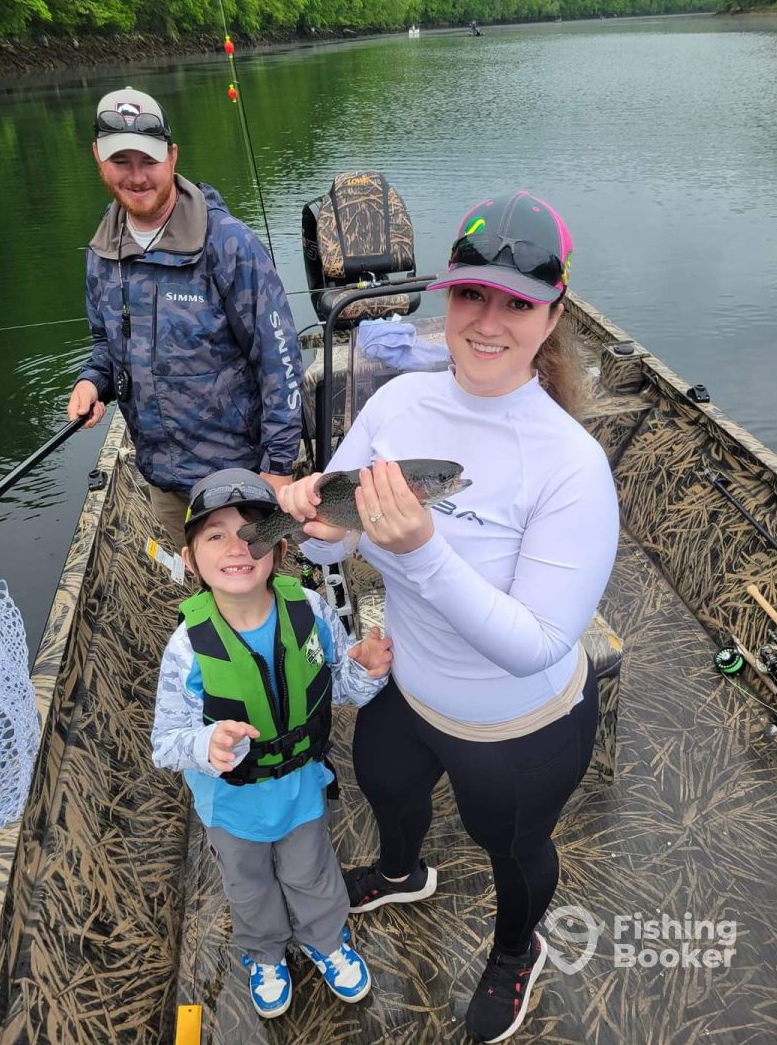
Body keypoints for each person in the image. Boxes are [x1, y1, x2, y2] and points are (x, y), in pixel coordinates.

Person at [278, 190, 620, 1043]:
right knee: (385, 780)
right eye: (472, 294)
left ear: (553, 316)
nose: (487, 322)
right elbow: (330, 546)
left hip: (519, 724)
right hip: (412, 686)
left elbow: (537, 644)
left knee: (513, 847)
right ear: (447, 295)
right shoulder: (399, 406)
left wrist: (425, 549)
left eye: (517, 304)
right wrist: (312, 522)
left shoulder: (572, 467)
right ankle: (403, 874)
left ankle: (517, 949)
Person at [151, 468, 392, 1018]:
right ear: (191, 559)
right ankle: (264, 954)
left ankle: (326, 941)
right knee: (249, 887)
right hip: (230, 807)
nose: (237, 548)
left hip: (302, 791)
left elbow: (339, 684)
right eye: (215, 535)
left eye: (252, 533)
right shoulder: (187, 648)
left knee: (313, 873)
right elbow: (166, 743)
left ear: (280, 550)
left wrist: (365, 670)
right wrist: (206, 745)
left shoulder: (310, 609)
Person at [66, 87, 303, 549]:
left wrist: (277, 467)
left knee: (252, 581)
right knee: (201, 580)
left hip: (239, 476)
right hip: (163, 479)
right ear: (98, 158)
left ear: (172, 157)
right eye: (121, 161)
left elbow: (281, 360)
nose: (137, 177)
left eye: (149, 161)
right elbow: (106, 346)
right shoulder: (101, 251)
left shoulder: (229, 244)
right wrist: (92, 382)